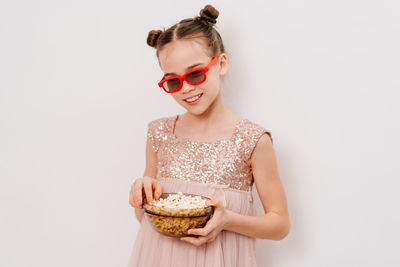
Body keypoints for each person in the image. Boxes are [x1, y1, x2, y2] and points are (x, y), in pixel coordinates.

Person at [128, 4, 290, 267]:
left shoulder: (253, 140)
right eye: (173, 81)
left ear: (221, 64)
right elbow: (147, 219)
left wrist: (228, 220)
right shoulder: (159, 133)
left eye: (194, 73)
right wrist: (142, 196)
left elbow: (280, 224)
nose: (186, 88)